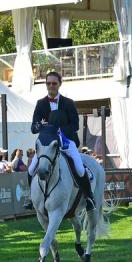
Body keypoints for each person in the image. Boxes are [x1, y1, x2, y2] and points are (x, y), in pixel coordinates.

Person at [29, 70, 94, 210]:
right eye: (48, 83)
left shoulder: (68, 103)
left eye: (54, 83)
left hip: (66, 141)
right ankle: (31, 199)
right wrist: (40, 125)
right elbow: (33, 128)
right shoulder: (40, 103)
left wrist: (60, 131)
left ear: (59, 84)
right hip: (47, 144)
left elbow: (75, 125)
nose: (51, 86)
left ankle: (89, 197)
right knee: (30, 169)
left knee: (80, 169)